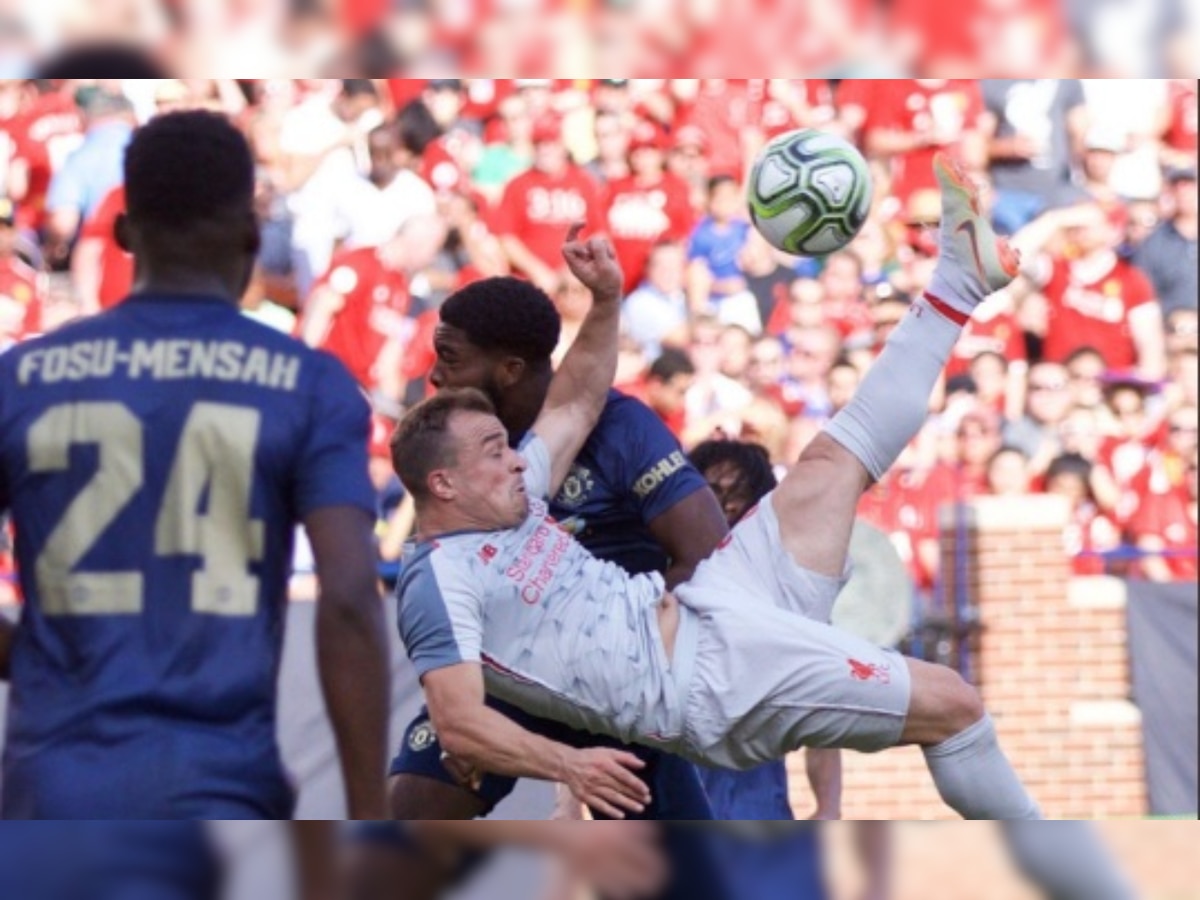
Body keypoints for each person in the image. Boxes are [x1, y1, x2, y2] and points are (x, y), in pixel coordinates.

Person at [0, 110, 390, 819]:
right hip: (219, 782)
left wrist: (29, 654)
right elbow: (349, 599)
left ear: (122, 234)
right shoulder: (308, 383)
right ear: (250, 232)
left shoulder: (21, 378)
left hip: (53, 783)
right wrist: (368, 818)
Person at [388, 227, 729, 823]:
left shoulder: (616, 429)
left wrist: (648, 659)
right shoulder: (464, 444)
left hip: (620, 670)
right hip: (513, 669)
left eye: (451, 359)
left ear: (510, 369)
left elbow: (705, 552)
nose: (435, 376)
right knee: (415, 809)